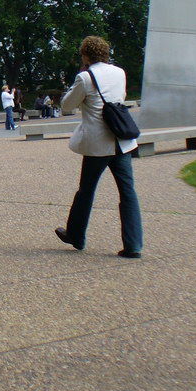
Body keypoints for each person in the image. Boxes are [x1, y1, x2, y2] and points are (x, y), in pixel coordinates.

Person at [55, 35, 143, 259]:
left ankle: (76, 235)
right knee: (128, 192)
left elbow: (67, 106)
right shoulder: (119, 72)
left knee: (86, 191)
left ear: (85, 55)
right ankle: (133, 245)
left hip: (98, 144)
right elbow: (119, 98)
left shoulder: (85, 77)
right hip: (121, 141)